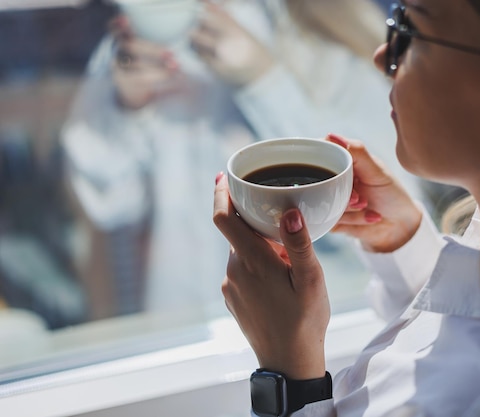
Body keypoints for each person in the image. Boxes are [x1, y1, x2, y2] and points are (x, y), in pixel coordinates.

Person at [213, 0, 480, 416]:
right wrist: (404, 245)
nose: (382, 57)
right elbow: (465, 333)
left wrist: (289, 374)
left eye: (410, 29)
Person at [61, 0, 411, 317]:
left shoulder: (327, 32)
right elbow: (106, 205)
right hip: (181, 330)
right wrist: (126, 106)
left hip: (319, 330)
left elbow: (383, 207)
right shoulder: (142, 36)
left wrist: (264, 80)